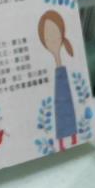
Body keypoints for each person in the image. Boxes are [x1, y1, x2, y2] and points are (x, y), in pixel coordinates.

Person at [38, 11, 77, 151]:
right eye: (47, 38)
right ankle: (61, 142)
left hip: (62, 79)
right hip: (58, 82)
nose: (52, 39)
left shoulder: (67, 63)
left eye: (54, 33)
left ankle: (73, 137)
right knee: (59, 113)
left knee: (69, 109)